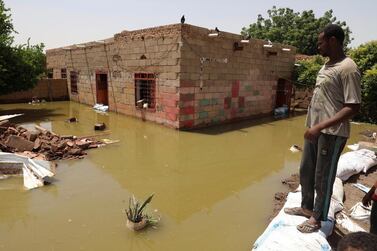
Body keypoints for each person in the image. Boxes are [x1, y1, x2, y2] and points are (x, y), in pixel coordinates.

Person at [284, 24, 361, 233]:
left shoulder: (348, 68)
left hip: (331, 134)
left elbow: (352, 106)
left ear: (332, 41)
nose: (318, 46)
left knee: (323, 177)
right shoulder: (326, 66)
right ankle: (306, 208)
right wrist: (313, 126)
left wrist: (320, 127)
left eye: (320, 42)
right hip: (315, 130)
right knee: (306, 171)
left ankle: (318, 218)